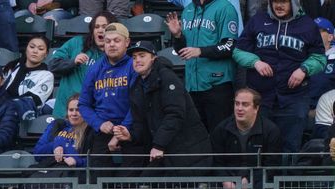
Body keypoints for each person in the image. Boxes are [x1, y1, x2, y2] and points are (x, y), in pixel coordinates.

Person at [233, 0, 325, 154]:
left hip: (294, 98)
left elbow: (320, 58)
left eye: (283, 2)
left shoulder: (307, 25)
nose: (279, 5)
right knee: (259, 146)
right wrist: (255, 62)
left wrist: (304, 69)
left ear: (293, 3)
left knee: (290, 146)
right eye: (275, 1)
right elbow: (238, 51)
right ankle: (259, 179)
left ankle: (286, 179)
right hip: (261, 97)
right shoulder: (258, 20)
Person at [112, 41, 212, 170]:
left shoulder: (167, 78)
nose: (137, 60)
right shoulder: (137, 85)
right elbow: (141, 123)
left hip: (188, 152)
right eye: (134, 57)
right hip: (165, 152)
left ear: (154, 58)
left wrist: (159, 145)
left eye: (142, 56)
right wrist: (131, 135)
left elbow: (175, 114)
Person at [165, 0, 239, 132]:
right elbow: (182, 51)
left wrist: (200, 51)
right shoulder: (188, 10)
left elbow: (229, 46)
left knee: (219, 136)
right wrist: (177, 35)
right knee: (197, 139)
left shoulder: (225, 8)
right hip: (193, 85)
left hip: (218, 84)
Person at [209, 88, 283, 189]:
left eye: (245, 104)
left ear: (256, 108)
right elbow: (217, 162)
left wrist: (248, 180)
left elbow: (272, 166)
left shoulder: (271, 131)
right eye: (237, 103)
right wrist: (225, 181)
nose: (239, 108)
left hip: (258, 178)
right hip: (229, 178)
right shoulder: (221, 129)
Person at [78, 22, 136, 167]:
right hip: (102, 130)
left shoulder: (134, 66)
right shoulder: (94, 69)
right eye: (108, 41)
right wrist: (99, 123)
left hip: (131, 130)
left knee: (129, 180)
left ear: (127, 42)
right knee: (98, 180)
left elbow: (138, 103)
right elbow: (83, 104)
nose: (111, 45)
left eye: (117, 40)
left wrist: (123, 128)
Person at [48, 11, 115, 119]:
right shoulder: (76, 43)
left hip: (91, 116)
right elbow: (52, 65)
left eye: (104, 27)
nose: (100, 30)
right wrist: (72, 62)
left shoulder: (114, 55)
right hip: (64, 113)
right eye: (96, 27)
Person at [33, 93, 90, 169]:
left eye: (78, 110)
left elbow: (98, 160)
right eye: (71, 110)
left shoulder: (91, 130)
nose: (74, 113)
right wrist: (55, 146)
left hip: (77, 173)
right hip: (53, 170)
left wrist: (77, 161)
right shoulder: (57, 125)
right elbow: (37, 153)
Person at [2, 34, 54, 119]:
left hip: (26, 115)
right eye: (32, 47)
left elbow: (34, 100)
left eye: (40, 49)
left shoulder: (46, 75)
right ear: (26, 49)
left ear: (46, 54)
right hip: (2, 111)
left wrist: (6, 106)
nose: (35, 51)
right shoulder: (12, 67)